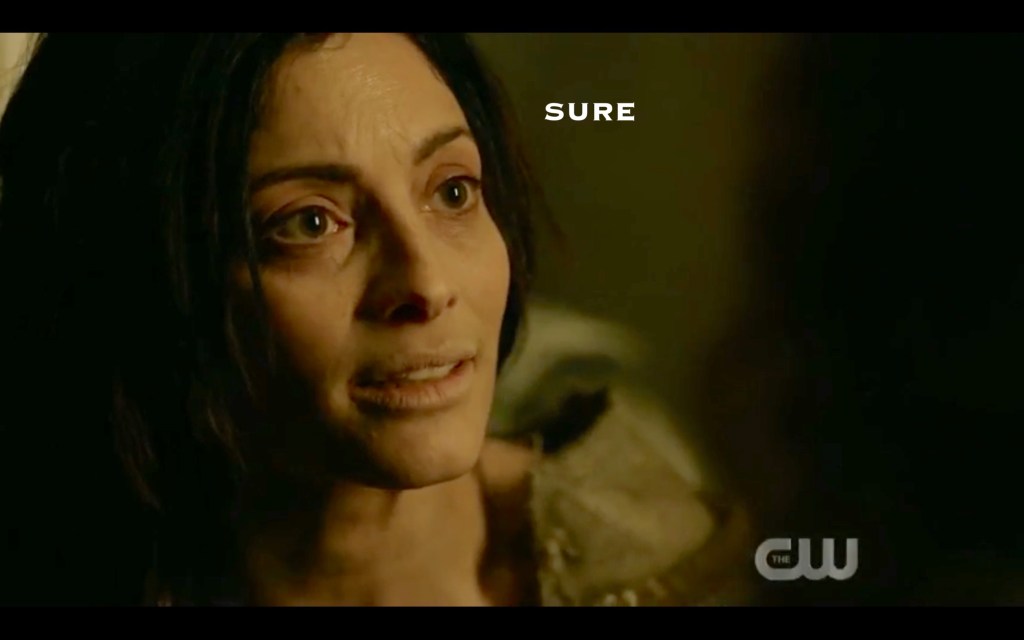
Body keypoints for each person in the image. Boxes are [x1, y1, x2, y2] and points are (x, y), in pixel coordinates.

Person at [0, 33, 753, 606]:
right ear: (145, 278)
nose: (426, 284)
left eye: (452, 192)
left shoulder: (648, 564)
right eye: (309, 223)